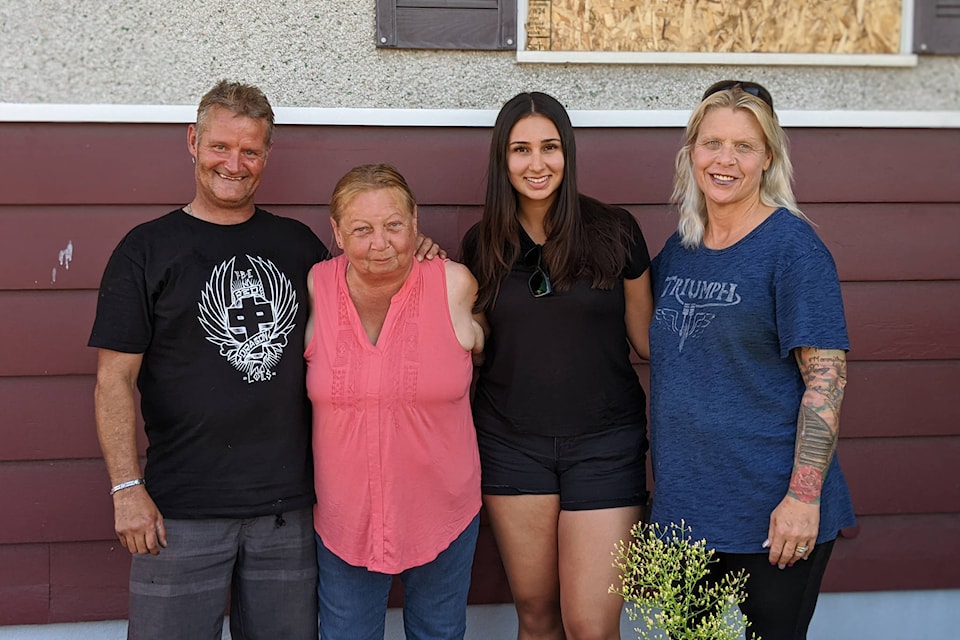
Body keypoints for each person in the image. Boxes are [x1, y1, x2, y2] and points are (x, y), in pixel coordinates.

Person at [89, 81, 440, 639]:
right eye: (220, 147)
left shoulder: (298, 247)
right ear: (192, 142)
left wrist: (417, 254)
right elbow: (113, 381)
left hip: (290, 511)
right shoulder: (145, 250)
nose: (234, 163)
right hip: (177, 512)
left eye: (249, 150)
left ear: (266, 155)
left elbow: (371, 292)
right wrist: (126, 489)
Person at [647, 80, 856, 640]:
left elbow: (826, 379)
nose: (726, 160)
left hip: (772, 516)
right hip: (685, 512)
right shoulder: (679, 249)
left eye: (745, 146)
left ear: (768, 158)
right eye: (713, 143)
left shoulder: (793, 250)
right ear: (691, 153)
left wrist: (802, 498)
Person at [460, 92, 653, 640]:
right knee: (538, 615)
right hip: (511, 443)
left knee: (591, 624)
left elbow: (648, 340)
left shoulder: (616, 231)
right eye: (521, 150)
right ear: (502, 159)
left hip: (605, 443)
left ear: (567, 152)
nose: (536, 163)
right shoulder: (483, 244)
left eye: (549, 147)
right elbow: (475, 337)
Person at [305, 164, 484, 640]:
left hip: (443, 513)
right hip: (346, 521)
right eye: (361, 229)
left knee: (439, 634)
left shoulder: (453, 284)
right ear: (337, 232)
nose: (380, 243)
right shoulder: (316, 287)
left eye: (394, 225)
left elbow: (483, 336)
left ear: (415, 222)